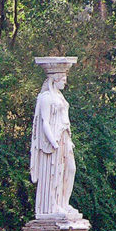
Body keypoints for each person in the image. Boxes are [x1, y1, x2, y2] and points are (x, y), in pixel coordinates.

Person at [30, 68, 81, 219]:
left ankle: (64, 202)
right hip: (54, 140)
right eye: (63, 79)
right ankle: (53, 204)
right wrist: (54, 142)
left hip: (65, 137)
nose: (65, 82)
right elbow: (44, 122)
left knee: (70, 169)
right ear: (55, 79)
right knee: (55, 172)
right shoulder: (46, 97)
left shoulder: (60, 97)